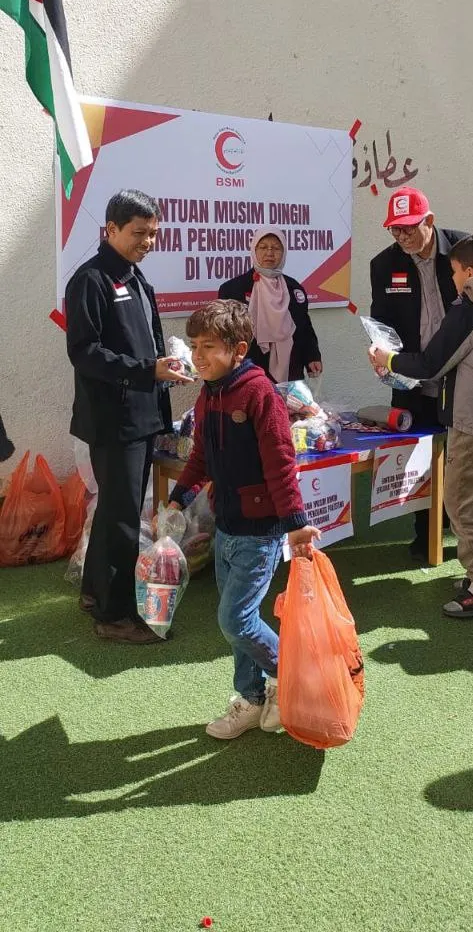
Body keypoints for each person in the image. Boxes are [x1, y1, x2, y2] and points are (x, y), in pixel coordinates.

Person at [169, 299, 320, 739]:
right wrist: (179, 496)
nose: (198, 356)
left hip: (262, 531)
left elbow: (280, 463)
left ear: (238, 350)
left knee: (235, 620)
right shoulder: (208, 393)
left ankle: (296, 679)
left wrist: (295, 522)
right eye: (194, 346)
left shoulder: (259, 393)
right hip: (227, 527)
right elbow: (201, 455)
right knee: (240, 621)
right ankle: (252, 699)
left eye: (209, 347)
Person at [369, 235, 473, 618]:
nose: (451, 278)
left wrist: (387, 360)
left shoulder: (468, 310)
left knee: (460, 502)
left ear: (470, 273)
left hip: (472, 422)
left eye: (454, 272)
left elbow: (429, 365)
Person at [65, 189, 193, 644]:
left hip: (140, 417)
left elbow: (142, 347)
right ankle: (114, 616)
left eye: (154, 233)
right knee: (122, 519)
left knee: (114, 512)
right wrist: (146, 370)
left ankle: (93, 592)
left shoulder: (135, 278)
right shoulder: (91, 279)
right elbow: (84, 353)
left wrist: (165, 368)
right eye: (139, 233)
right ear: (111, 230)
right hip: (112, 421)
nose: (148, 241)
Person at [369, 187, 467, 558]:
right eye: (395, 230)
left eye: (409, 228)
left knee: (460, 457)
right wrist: (379, 353)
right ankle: (426, 533)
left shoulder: (462, 251)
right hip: (412, 376)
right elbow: (382, 323)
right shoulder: (384, 264)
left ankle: (462, 531)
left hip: (462, 375)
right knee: (419, 457)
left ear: (430, 221)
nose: (402, 236)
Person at [219, 226, 322, 383]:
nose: (269, 253)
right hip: (248, 369)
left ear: (284, 252)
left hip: (290, 369)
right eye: (263, 247)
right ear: (254, 249)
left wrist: (312, 356)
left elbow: (304, 326)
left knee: (288, 407)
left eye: (276, 248)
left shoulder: (294, 288)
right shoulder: (232, 289)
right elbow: (224, 334)